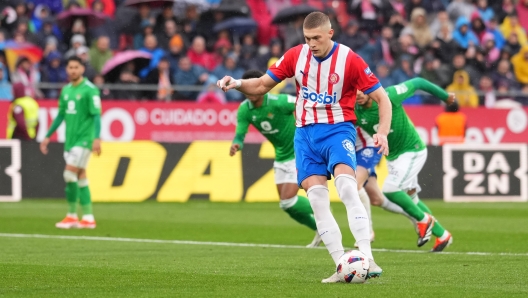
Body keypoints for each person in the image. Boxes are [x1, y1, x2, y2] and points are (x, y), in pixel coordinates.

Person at [216, 12, 391, 283]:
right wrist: (237, 83)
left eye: (317, 38)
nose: (311, 43)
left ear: (330, 34)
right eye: (307, 38)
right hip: (305, 137)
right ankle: (341, 266)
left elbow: (382, 97)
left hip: (337, 130)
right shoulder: (295, 55)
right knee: (318, 200)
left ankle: (368, 257)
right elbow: (262, 84)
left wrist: (382, 132)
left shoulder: (350, 59)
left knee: (346, 186)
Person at [355, 78, 455, 252]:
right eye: (353, 91)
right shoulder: (355, 109)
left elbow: (418, 82)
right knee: (412, 198)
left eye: (361, 90)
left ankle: (423, 219)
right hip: (393, 157)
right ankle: (443, 234)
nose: (358, 94)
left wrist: (444, 96)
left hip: (412, 150)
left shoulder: (390, 95)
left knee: (390, 189)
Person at [230, 70, 321, 248]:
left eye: (253, 87)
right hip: (281, 156)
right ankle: (321, 229)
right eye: (246, 89)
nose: (250, 92)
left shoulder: (278, 102)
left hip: (298, 152)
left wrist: (307, 128)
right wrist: (236, 144)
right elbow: (240, 134)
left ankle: (321, 209)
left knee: (288, 199)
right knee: (286, 204)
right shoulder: (244, 110)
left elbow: (301, 104)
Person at [40, 56, 102, 230]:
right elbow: (60, 115)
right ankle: (88, 217)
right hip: (70, 141)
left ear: (82, 69)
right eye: (70, 67)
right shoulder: (66, 90)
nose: (73, 70)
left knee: (69, 174)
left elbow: (96, 115)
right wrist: (47, 135)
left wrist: (96, 138)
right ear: (67, 70)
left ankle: (72, 215)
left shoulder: (90, 90)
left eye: (76, 67)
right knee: (81, 176)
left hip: (84, 140)